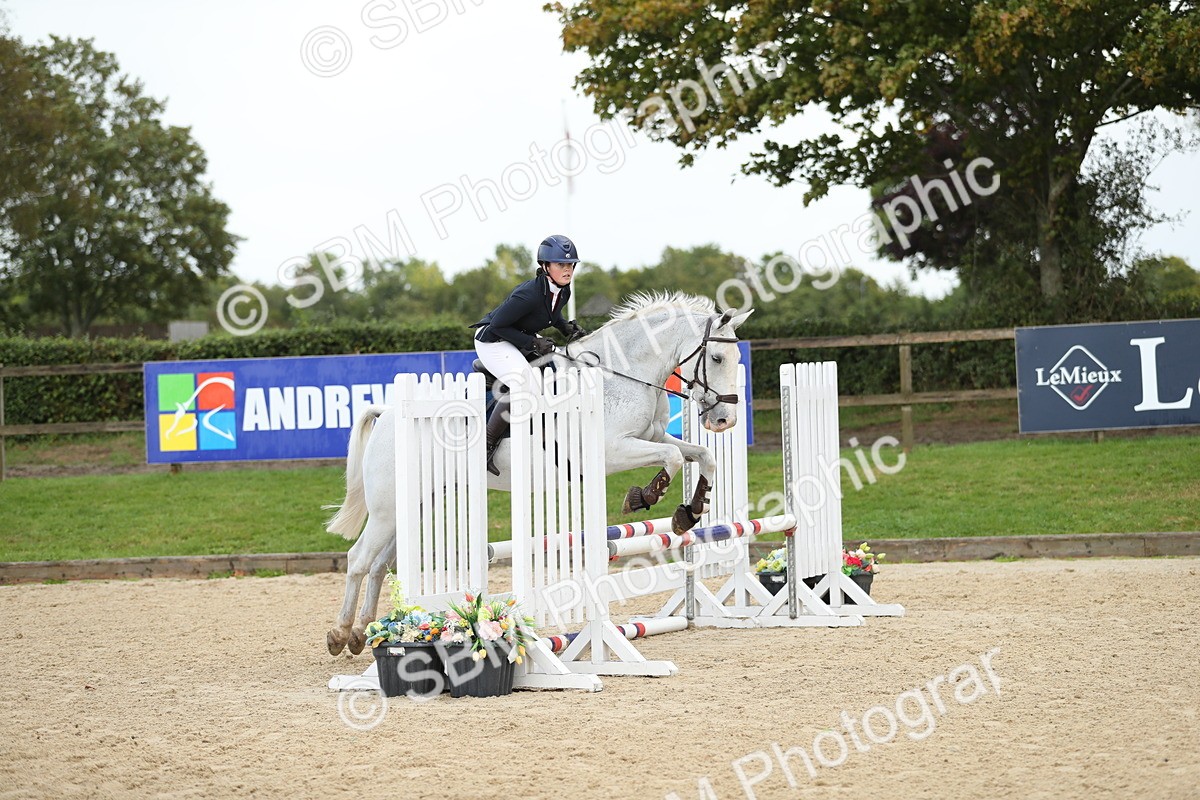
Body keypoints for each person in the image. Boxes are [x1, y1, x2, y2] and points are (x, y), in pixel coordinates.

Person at [471, 234, 590, 475]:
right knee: (523, 383)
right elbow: (497, 327)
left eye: (570, 265)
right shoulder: (528, 294)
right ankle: (484, 448)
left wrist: (564, 327)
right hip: (492, 340)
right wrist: (533, 342)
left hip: (513, 339)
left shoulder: (563, 291)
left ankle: (546, 440)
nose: (567, 270)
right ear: (545, 267)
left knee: (549, 373)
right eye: (561, 265)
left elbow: (551, 314)